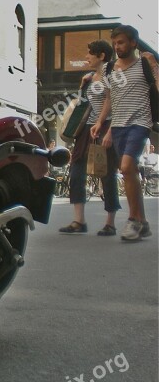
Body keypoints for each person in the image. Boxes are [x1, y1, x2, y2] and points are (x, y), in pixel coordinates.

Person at [91, 25, 159, 242]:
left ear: (133, 43)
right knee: (130, 172)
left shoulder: (144, 64)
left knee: (127, 167)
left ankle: (133, 219)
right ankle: (143, 223)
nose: (117, 47)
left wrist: (154, 65)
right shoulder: (111, 69)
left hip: (140, 123)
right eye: (115, 43)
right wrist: (102, 122)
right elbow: (110, 98)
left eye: (121, 42)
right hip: (118, 126)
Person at [59, 41, 121, 236]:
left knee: (107, 173)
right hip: (86, 129)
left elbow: (116, 106)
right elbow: (83, 106)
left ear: (101, 56)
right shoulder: (88, 79)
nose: (86, 57)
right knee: (76, 170)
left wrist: (109, 131)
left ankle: (110, 222)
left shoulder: (113, 77)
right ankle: (79, 221)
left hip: (106, 127)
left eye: (90, 54)